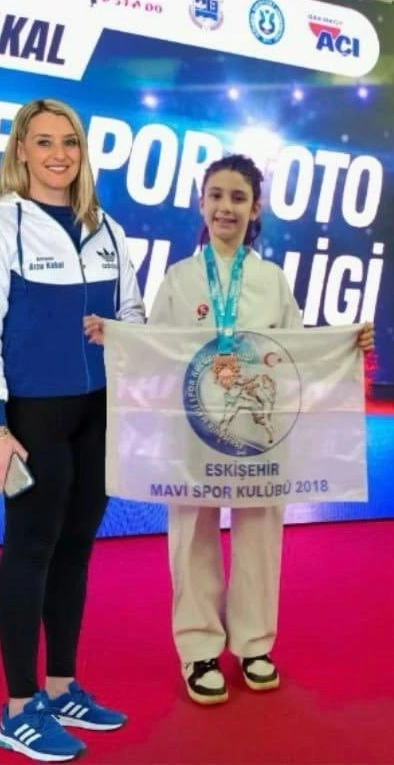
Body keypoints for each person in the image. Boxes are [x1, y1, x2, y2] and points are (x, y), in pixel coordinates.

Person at [84, 153, 374, 706]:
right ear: (201, 203)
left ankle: (254, 644)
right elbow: (157, 350)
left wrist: (346, 343)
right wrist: (117, 337)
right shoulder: (179, 278)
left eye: (238, 197)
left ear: (255, 209)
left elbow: (296, 354)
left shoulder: (271, 280)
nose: (226, 207)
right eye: (216, 195)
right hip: (194, 432)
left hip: (259, 435)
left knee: (260, 534)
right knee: (191, 534)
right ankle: (198, 648)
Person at [0, 98, 145, 760]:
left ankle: (62, 688)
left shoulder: (107, 228)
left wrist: (117, 331)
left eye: (69, 142)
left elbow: (134, 314)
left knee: (75, 549)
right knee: (30, 550)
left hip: (97, 414)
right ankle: (18, 709)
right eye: (43, 142)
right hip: (32, 418)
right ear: (21, 151)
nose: (59, 154)